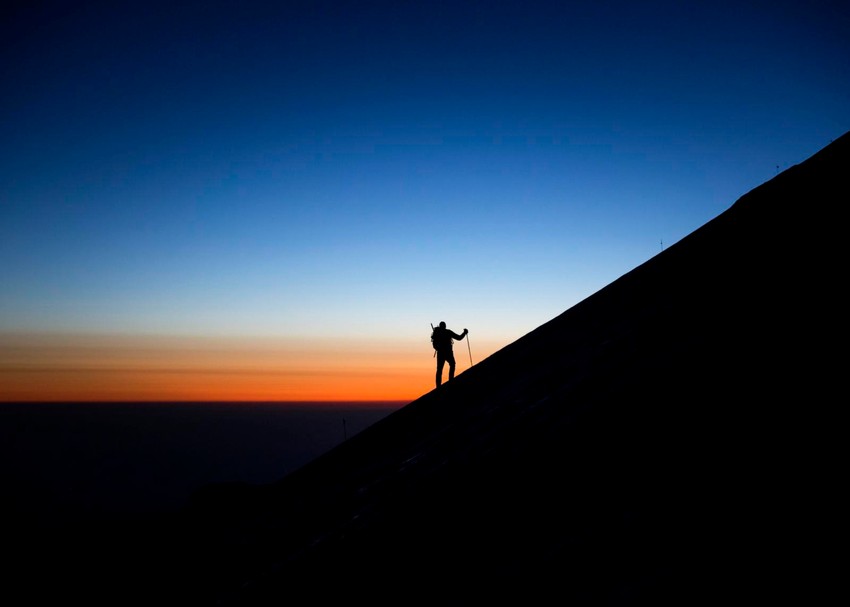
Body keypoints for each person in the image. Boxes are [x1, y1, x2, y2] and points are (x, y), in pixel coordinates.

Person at [432, 321, 468, 388]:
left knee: (440, 369)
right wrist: (464, 333)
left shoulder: (437, 333)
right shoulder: (447, 332)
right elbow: (459, 338)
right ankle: (450, 381)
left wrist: (438, 348)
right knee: (451, 365)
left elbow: (434, 344)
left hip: (442, 353)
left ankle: (439, 386)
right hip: (447, 353)